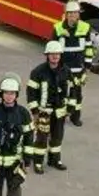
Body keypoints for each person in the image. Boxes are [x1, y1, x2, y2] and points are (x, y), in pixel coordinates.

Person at [26, 40, 72, 173]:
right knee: (41, 138)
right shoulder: (38, 72)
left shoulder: (66, 71)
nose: (55, 56)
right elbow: (31, 93)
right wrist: (35, 111)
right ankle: (38, 162)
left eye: (57, 54)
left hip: (59, 111)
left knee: (57, 136)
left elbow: (73, 89)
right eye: (52, 54)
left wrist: (70, 108)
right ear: (47, 55)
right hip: (43, 112)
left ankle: (55, 160)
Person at [52, 1, 94, 126]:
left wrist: (87, 68)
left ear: (78, 15)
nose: (73, 16)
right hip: (62, 68)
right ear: (66, 15)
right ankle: (60, 116)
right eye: (70, 14)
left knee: (77, 94)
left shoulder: (85, 27)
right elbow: (52, 49)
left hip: (78, 69)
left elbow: (88, 48)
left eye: (75, 13)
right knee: (61, 94)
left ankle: (75, 117)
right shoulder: (58, 28)